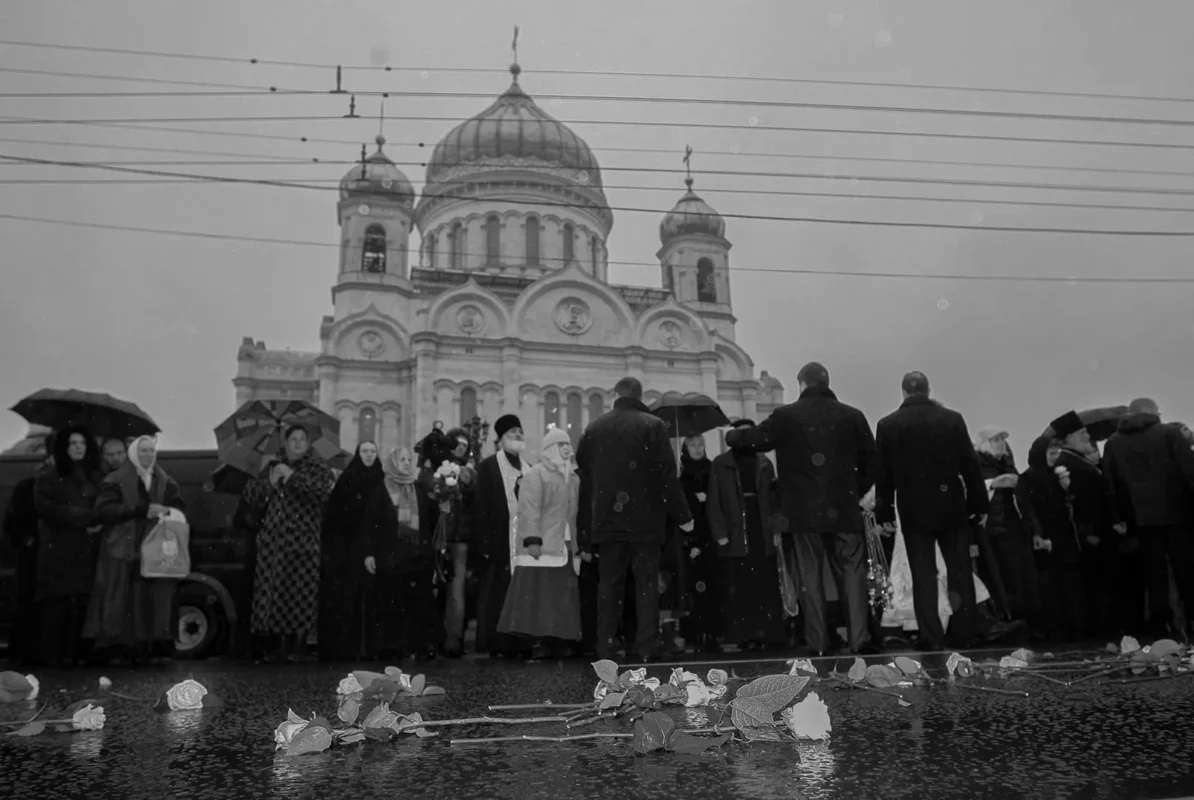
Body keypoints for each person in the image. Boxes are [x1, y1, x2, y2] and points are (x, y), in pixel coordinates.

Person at [725, 362, 877, 657]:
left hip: (804, 513)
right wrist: (853, 491)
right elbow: (872, 461)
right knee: (853, 573)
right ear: (826, 381)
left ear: (802, 384)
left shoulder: (787, 416)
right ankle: (859, 639)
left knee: (810, 576)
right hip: (844, 510)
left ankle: (818, 642)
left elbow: (757, 439)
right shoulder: (852, 416)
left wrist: (732, 436)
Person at [576, 377, 692, 663]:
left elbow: (585, 479)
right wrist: (683, 516)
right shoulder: (652, 426)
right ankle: (645, 647)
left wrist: (586, 529)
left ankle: (605, 647)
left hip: (607, 522)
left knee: (609, 587)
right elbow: (667, 477)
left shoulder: (595, 428)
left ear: (616, 395)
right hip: (645, 522)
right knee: (646, 586)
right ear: (640, 396)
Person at [874, 372, 987, 650]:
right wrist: (978, 504)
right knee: (959, 571)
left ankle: (931, 636)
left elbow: (884, 475)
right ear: (928, 390)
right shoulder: (952, 420)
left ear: (903, 392)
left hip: (913, 509)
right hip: (951, 506)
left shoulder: (888, 425)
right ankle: (964, 633)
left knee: (923, 574)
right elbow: (969, 465)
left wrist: (885, 513)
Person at [84, 435, 186, 663]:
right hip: (124, 548)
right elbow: (104, 510)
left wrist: (166, 510)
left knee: (151, 597)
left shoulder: (165, 481)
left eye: (151, 450)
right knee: (125, 598)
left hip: (153, 547)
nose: (148, 455)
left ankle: (151, 646)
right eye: (143, 451)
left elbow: (180, 508)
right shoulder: (115, 480)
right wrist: (141, 509)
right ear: (133, 453)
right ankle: (123, 649)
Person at [1102, 398, 1194, 637]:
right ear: (1153, 413)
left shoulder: (1113, 442)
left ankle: (1164, 628)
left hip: (1140, 520)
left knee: (1155, 576)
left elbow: (1110, 484)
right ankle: (1191, 623)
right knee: (1186, 571)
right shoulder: (1169, 434)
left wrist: (1118, 517)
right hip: (1178, 515)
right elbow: (1189, 472)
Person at [242, 424, 334, 662]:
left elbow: (321, 492)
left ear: (308, 443)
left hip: (303, 543)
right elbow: (251, 496)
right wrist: (271, 481)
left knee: (301, 593)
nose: (297, 443)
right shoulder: (272, 467)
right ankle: (280, 645)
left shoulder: (317, 468)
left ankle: (300, 646)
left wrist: (291, 476)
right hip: (275, 545)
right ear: (286, 442)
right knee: (277, 594)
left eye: (302, 439)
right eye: (293, 439)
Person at [497, 426, 582, 656]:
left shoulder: (573, 478)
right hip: (542, 544)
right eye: (560, 444)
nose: (566, 448)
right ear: (549, 448)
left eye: (567, 444)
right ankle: (539, 642)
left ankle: (558, 639)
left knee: (560, 595)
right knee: (540, 595)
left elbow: (575, 514)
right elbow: (528, 509)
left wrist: (577, 544)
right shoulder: (536, 474)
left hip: (564, 544)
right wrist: (532, 539)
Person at [707, 419, 789, 651]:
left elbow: (774, 500)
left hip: (760, 526)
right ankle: (744, 634)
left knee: (764, 582)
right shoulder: (721, 463)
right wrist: (720, 532)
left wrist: (776, 528)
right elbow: (715, 501)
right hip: (736, 529)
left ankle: (768, 633)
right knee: (740, 583)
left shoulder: (764, 462)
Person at [33, 425, 104, 667]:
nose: (78, 447)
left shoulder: (94, 477)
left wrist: (96, 519)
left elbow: (103, 507)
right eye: (73, 443)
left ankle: (78, 656)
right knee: (56, 609)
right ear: (63, 447)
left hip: (86, 551)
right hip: (58, 554)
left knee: (82, 608)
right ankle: (53, 660)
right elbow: (47, 508)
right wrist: (85, 517)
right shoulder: (47, 477)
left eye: (82, 443)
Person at [1049, 411, 1125, 637]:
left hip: (1101, 532)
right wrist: (1087, 532)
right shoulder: (1066, 463)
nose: (1086, 435)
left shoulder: (1077, 459)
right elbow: (1072, 503)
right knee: (1097, 584)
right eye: (1080, 432)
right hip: (1091, 536)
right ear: (1068, 438)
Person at [362, 446, 442, 660]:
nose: (407, 463)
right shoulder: (382, 490)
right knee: (392, 604)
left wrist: (444, 498)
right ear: (392, 463)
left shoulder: (417, 488)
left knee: (419, 604)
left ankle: (420, 645)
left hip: (417, 557)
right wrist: (369, 553)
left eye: (409, 459)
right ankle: (392, 646)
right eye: (402, 459)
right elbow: (371, 524)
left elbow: (430, 518)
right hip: (391, 558)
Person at [472, 415, 533, 659]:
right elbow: (480, 506)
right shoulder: (488, 467)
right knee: (497, 592)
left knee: (520, 592)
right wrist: (484, 542)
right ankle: (497, 642)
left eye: (520, 431)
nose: (518, 435)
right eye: (512, 432)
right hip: (498, 541)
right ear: (501, 439)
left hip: (524, 543)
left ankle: (520, 642)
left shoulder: (528, 467)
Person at [318, 441, 384, 661]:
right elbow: (336, 515)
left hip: (374, 547)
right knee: (349, 598)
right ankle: (348, 648)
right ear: (358, 454)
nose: (369, 455)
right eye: (365, 451)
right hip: (349, 548)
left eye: (372, 452)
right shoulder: (348, 479)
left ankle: (372, 648)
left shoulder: (381, 478)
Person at [974, 427, 1042, 636]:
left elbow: (1025, 503)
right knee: (1002, 577)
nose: (1001, 443)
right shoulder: (979, 464)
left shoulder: (1007, 464)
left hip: (1015, 529)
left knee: (1022, 577)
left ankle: (1025, 621)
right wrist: (993, 484)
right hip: (993, 532)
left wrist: (1035, 531)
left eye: (1002, 439)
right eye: (996, 439)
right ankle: (1007, 619)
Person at [1016, 436, 1086, 639]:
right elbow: (1027, 508)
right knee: (1050, 584)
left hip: (1064, 534)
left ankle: (1073, 624)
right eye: (1051, 453)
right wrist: (1038, 533)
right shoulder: (1028, 478)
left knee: (1069, 581)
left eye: (1057, 453)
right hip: (1046, 536)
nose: (1056, 458)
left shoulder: (1057, 476)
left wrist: (1067, 490)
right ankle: (1054, 627)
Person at [2, 443, 54, 666]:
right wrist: (28, 540)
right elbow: (12, 523)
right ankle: (24, 654)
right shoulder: (28, 487)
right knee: (27, 605)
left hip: (49, 556)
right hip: (31, 556)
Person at [678, 433, 720, 654]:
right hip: (692, 538)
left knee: (711, 586)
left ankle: (712, 632)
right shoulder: (681, 472)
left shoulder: (711, 469)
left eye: (700, 444)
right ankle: (695, 633)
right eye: (692, 444)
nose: (697, 448)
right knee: (694, 589)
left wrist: (707, 498)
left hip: (710, 537)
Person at [439, 427, 477, 659]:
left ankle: (453, 639)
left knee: (456, 592)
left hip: (459, 539)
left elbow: (473, 502)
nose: (461, 449)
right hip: (440, 537)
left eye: (465, 445)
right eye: (457, 444)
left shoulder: (469, 472)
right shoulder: (439, 468)